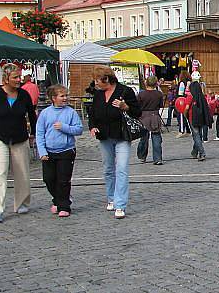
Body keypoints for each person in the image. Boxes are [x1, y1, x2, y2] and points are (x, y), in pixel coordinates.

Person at [0, 63, 37, 223]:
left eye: (20, 77)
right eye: (15, 77)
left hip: (19, 137)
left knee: (22, 171)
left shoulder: (24, 95)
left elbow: (31, 114)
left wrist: (33, 133)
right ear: (6, 79)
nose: (19, 80)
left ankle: (22, 203)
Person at [88, 66, 142, 219]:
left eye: (97, 80)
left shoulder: (125, 91)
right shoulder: (98, 94)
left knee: (122, 168)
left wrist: (125, 107)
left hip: (121, 135)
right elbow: (92, 112)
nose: (95, 83)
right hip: (104, 136)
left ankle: (120, 204)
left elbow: (137, 112)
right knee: (108, 169)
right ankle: (111, 197)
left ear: (107, 79)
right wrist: (92, 127)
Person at [35, 85, 83, 217]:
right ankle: (57, 199)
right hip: (49, 152)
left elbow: (79, 129)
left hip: (66, 150)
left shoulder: (71, 112)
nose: (65, 98)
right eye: (62, 96)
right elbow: (39, 133)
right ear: (53, 98)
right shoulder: (45, 113)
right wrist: (42, 151)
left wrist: (65, 127)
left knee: (63, 180)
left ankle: (64, 206)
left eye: (66, 95)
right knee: (49, 179)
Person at [137, 76, 164, 165]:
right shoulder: (159, 94)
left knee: (143, 138)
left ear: (146, 83)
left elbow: (137, 106)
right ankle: (157, 158)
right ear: (156, 84)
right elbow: (160, 105)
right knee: (156, 138)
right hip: (155, 115)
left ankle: (142, 156)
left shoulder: (141, 94)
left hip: (144, 116)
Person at [184, 72, 212, 161]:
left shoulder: (190, 97)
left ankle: (202, 152)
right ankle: (194, 152)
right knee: (198, 135)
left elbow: (186, 108)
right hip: (201, 118)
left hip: (193, 118)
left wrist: (185, 115)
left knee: (196, 135)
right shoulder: (201, 96)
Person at [175, 71, 191, 137]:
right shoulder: (190, 82)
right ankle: (188, 130)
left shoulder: (182, 83)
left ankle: (181, 131)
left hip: (182, 101)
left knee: (181, 115)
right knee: (186, 116)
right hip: (189, 100)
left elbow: (180, 93)